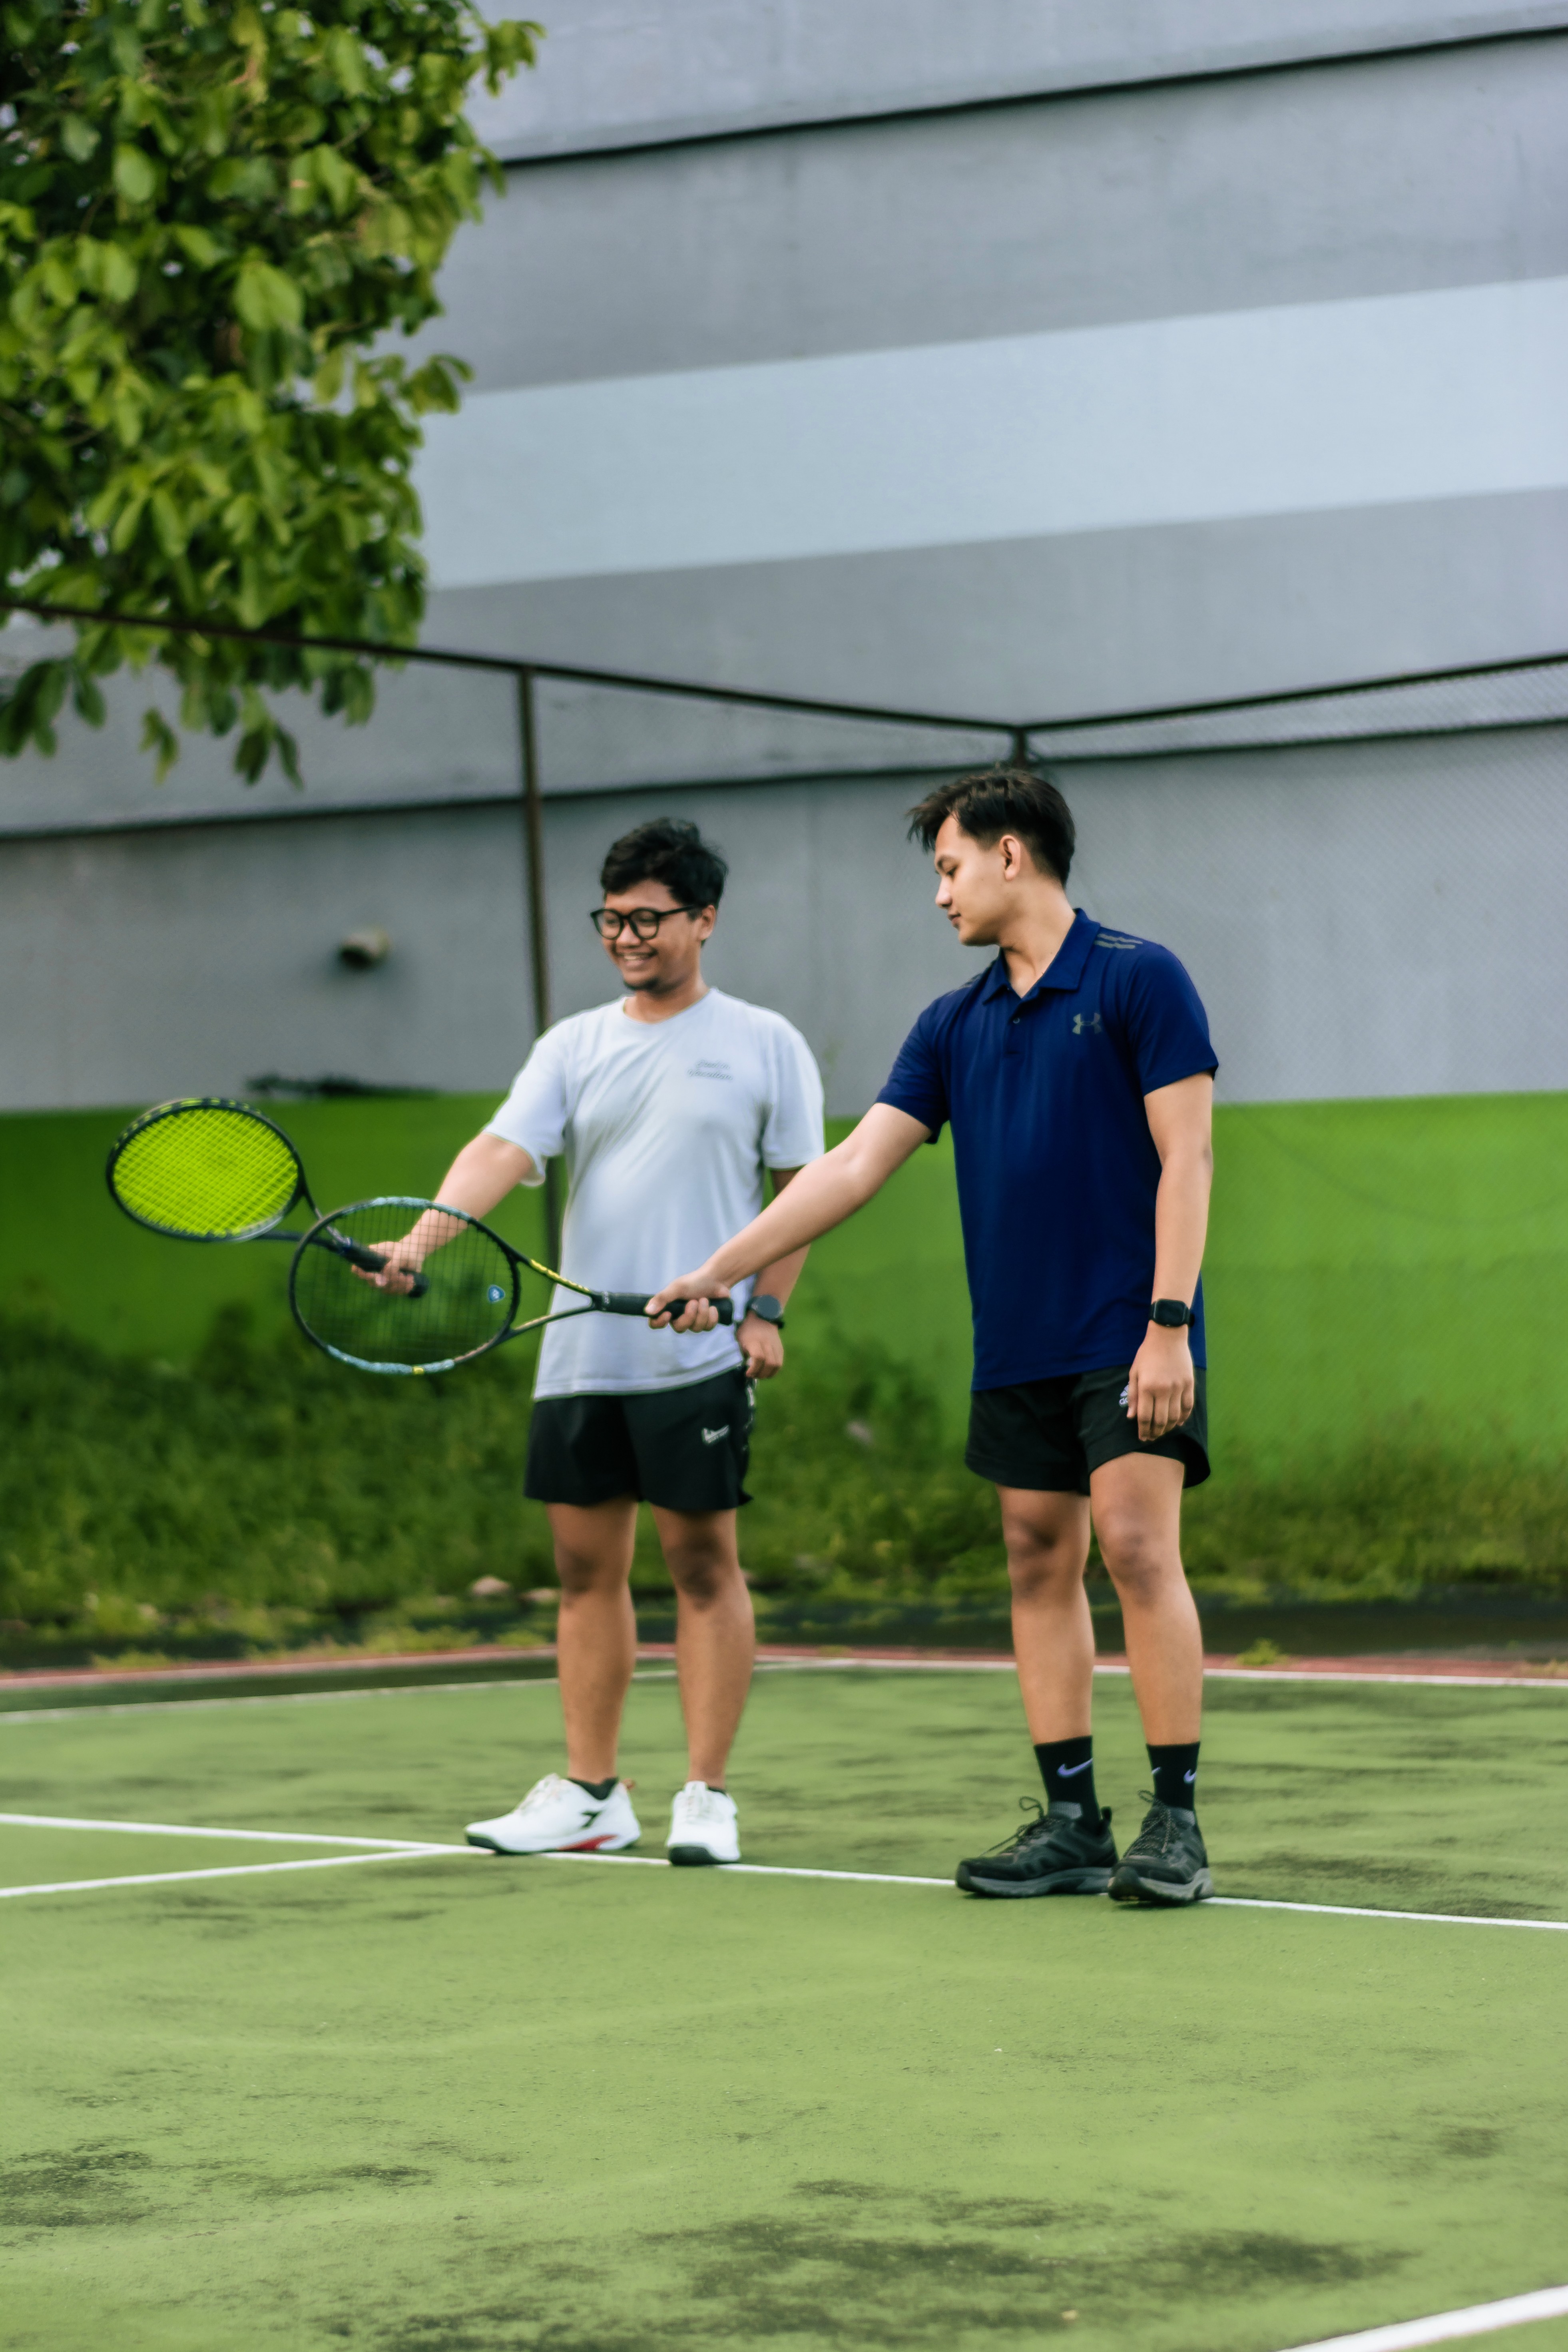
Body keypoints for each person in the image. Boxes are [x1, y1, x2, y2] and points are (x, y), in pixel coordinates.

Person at [649, 767, 1218, 1906]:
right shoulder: (951, 1025)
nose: (939, 895)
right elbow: (853, 1165)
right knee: (1034, 1558)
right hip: (1016, 1339)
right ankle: (1071, 1823)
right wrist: (724, 1267)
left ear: (1011, 854)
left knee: (1136, 1548)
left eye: (948, 867)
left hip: (1127, 1326)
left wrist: (1167, 1324)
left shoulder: (1139, 980)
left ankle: (1174, 1823)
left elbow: (1187, 1159)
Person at [365, 817, 824, 1866]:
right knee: (582, 1571)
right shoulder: (572, 1045)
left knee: (703, 1567)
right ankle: (590, 1793)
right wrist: (421, 1245)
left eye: (649, 919)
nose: (626, 937)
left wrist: (761, 1308)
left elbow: (806, 1190)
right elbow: (500, 1149)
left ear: (704, 920)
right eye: (611, 919)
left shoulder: (763, 1042)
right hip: (582, 1353)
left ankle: (703, 1794)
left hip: (696, 1352)